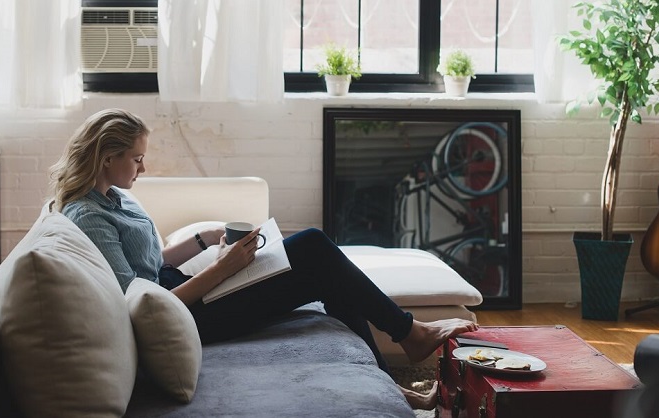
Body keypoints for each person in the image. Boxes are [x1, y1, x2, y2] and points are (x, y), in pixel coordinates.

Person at [50, 108, 479, 411]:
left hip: (180, 287)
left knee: (322, 268)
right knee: (312, 247)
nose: (143, 168)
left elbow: (154, 261)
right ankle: (409, 332)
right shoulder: (88, 215)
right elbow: (139, 302)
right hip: (182, 316)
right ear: (108, 157)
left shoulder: (116, 198)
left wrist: (207, 239)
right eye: (137, 158)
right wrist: (225, 268)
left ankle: (392, 374)